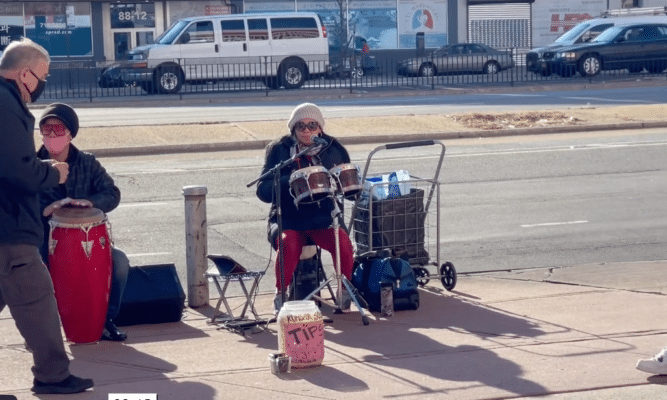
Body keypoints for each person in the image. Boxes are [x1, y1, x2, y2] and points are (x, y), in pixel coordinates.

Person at [0, 38, 94, 394]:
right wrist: (53, 173)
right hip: (9, 226)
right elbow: (17, 171)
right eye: (42, 76)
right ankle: (53, 376)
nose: (43, 83)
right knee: (38, 302)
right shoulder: (7, 105)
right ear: (24, 73)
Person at [37, 102, 130, 342]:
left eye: (57, 130)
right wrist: (47, 210)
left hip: (86, 239)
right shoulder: (33, 166)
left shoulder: (88, 163)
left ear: (69, 134)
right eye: (46, 131)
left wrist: (89, 202)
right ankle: (41, 331)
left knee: (119, 262)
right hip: (45, 239)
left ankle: (104, 319)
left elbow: (112, 193)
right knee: (37, 273)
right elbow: (19, 202)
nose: (51, 136)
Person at [256, 103, 355, 314]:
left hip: (322, 218)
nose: (307, 130)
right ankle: (281, 294)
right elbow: (262, 191)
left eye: (312, 125)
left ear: (320, 128)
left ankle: (345, 290)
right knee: (288, 244)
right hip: (288, 219)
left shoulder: (333, 149)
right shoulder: (279, 150)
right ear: (293, 129)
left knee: (343, 243)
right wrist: (286, 181)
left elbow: (349, 186)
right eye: (301, 126)